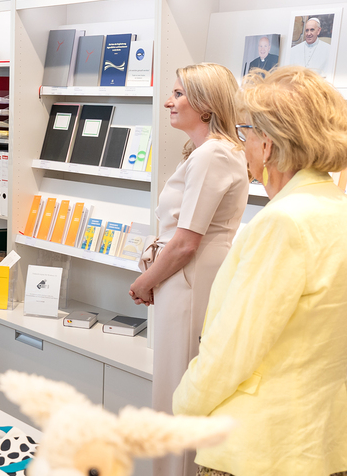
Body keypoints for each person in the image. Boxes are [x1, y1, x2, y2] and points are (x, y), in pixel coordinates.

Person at [174, 66, 347, 476]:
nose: (243, 144)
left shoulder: (284, 222)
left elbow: (235, 345)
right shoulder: (334, 209)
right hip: (322, 441)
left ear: (267, 145)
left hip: (260, 446)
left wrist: (185, 404)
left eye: (246, 132)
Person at [128, 63, 248, 476]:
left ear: (206, 103)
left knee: (178, 393)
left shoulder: (213, 153)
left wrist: (145, 281)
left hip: (189, 280)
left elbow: (185, 242)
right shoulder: (212, 152)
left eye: (178, 94)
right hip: (189, 278)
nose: (169, 102)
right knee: (176, 389)